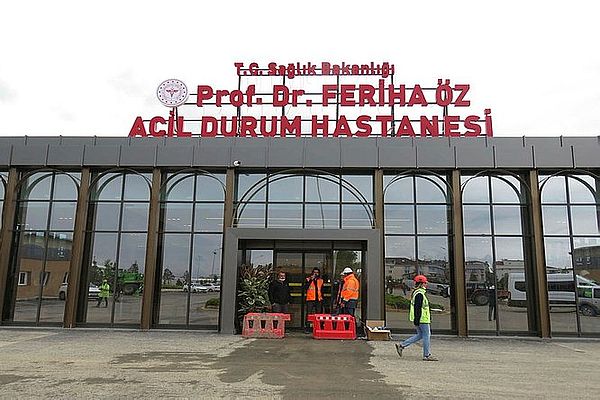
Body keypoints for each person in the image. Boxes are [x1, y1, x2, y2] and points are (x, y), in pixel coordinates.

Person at [395, 274, 438, 361]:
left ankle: (402, 345)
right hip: (422, 319)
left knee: (420, 335)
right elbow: (417, 308)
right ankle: (427, 355)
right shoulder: (419, 294)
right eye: (425, 283)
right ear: (421, 284)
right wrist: (417, 319)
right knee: (426, 336)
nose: (426, 284)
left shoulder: (417, 293)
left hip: (420, 318)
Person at [304, 267, 324, 333]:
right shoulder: (308, 279)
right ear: (312, 273)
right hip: (310, 299)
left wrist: (322, 298)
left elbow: (322, 290)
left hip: (318, 300)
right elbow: (305, 288)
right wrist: (310, 280)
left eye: (317, 272)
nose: (316, 274)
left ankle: (318, 327)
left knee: (318, 314)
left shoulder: (321, 280)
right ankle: (307, 328)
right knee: (309, 314)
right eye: (314, 272)